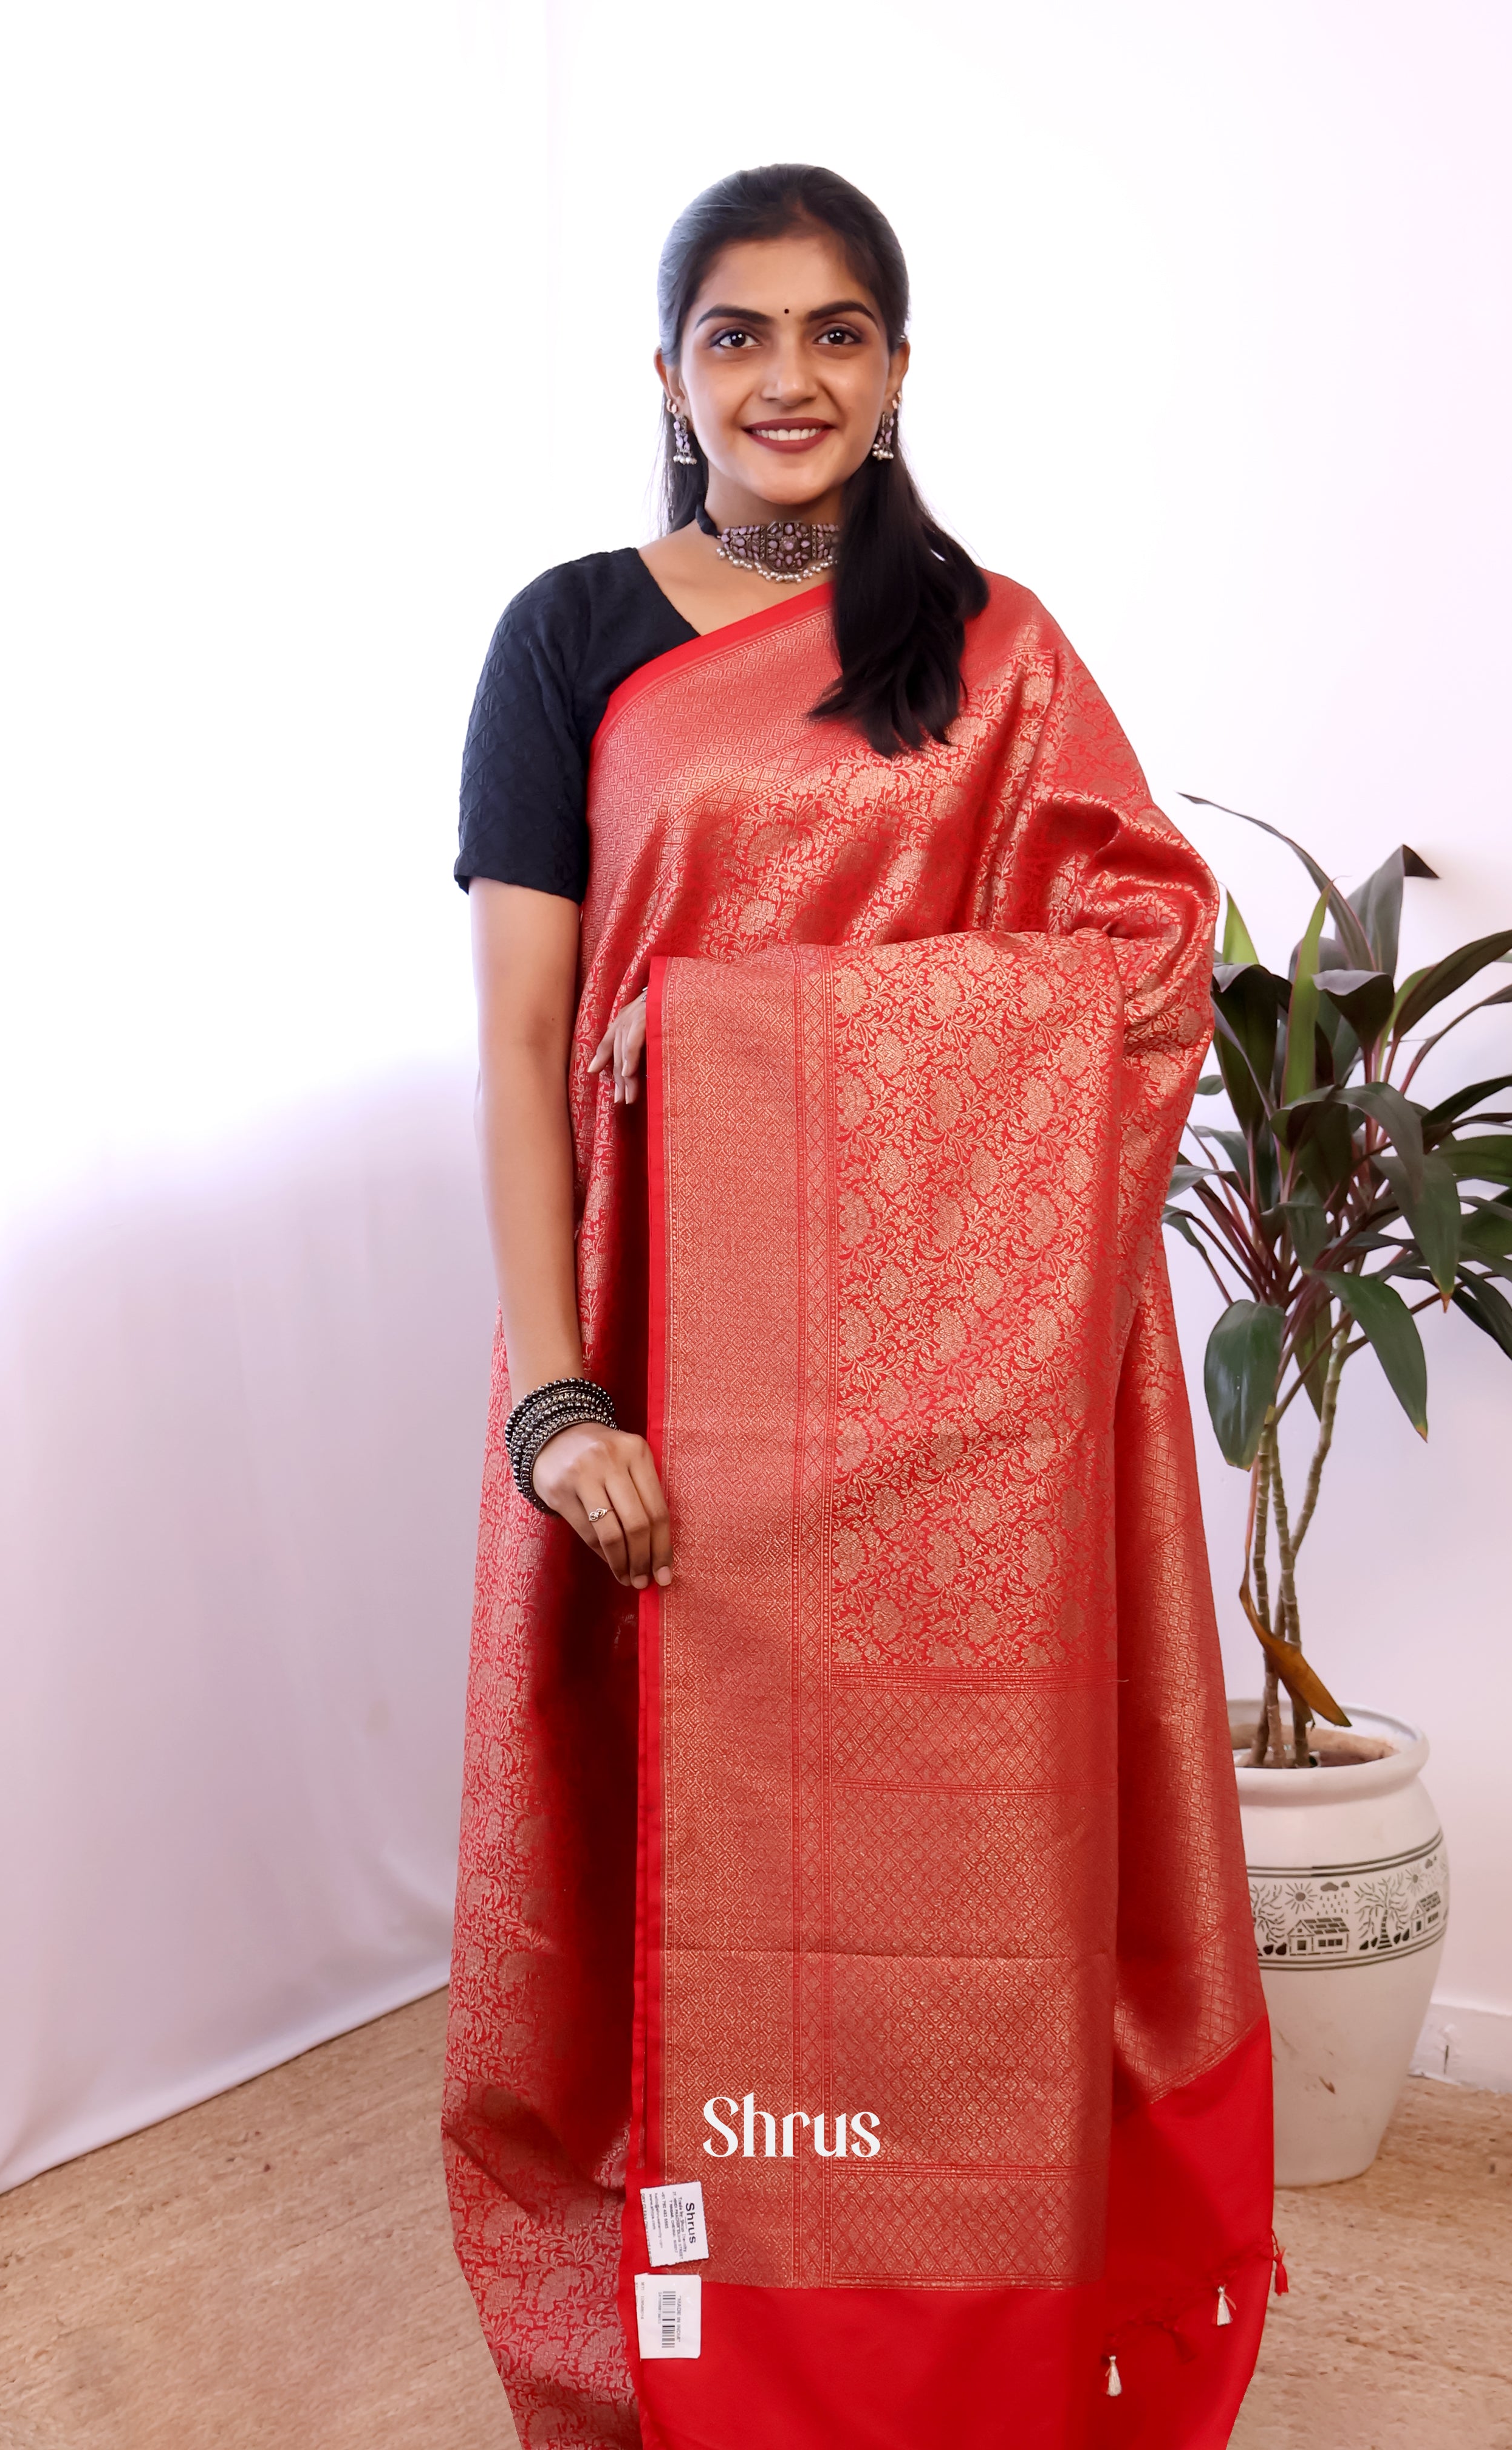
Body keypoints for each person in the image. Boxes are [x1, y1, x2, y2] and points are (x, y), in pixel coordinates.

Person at [445, 162, 1272, 2450]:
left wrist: (744, 1044)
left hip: (942, 1435)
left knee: (948, 1901)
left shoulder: (991, 650)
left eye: (837, 333)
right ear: (670, 372)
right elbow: (527, 1045)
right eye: (739, 334)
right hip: (654, 1381)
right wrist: (556, 1401)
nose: (787, 378)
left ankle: (949, 2358)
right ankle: (699, 2349)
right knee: (653, 1882)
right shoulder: (573, 636)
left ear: (900, 369)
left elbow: (1138, 969)